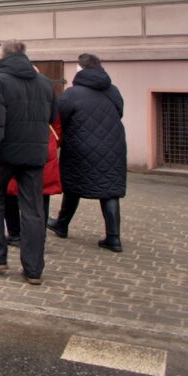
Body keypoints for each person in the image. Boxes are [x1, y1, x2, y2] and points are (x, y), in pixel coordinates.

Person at [0, 40, 57, 285]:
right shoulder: (44, 83)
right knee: (33, 209)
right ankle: (34, 269)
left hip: (3, 153)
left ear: (2, 57)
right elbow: (52, 116)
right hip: (34, 155)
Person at [48, 53, 128, 253]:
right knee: (110, 189)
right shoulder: (112, 90)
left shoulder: (72, 94)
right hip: (113, 145)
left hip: (80, 145)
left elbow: (59, 118)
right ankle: (114, 238)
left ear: (80, 69)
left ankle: (62, 225)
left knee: (73, 185)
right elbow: (119, 112)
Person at [5, 116, 62, 246]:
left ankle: (15, 234)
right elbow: (57, 124)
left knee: (10, 191)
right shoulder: (48, 103)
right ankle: (38, 236)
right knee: (42, 194)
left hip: (19, 144)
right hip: (44, 144)